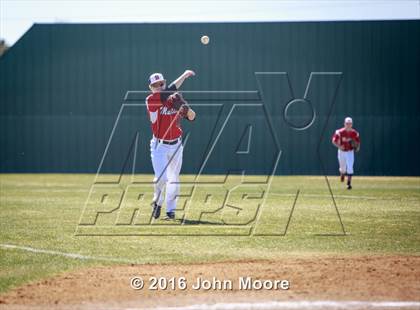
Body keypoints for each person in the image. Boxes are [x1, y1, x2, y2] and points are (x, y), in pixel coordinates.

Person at [146, 70, 196, 219]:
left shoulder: (174, 98)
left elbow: (193, 117)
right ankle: (157, 202)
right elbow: (170, 90)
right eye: (155, 85)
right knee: (161, 178)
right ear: (151, 88)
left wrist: (186, 108)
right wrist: (184, 76)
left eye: (161, 84)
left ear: (164, 83)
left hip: (176, 145)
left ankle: (170, 210)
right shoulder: (151, 100)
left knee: (174, 178)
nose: (159, 87)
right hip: (159, 146)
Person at [332, 117, 360, 189]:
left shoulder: (355, 133)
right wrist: (339, 146)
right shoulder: (339, 132)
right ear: (344, 124)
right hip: (342, 152)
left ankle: (349, 183)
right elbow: (333, 141)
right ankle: (342, 173)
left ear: (352, 124)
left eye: (350, 123)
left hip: (350, 152)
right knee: (343, 169)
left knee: (350, 167)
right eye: (347, 123)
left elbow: (358, 143)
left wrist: (357, 148)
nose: (348, 125)